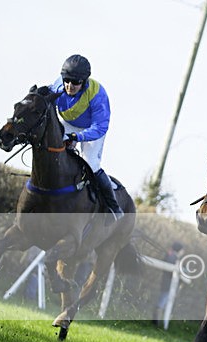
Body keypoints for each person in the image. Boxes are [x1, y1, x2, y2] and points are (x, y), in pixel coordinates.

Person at [51, 54, 122, 222]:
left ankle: (113, 207)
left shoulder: (98, 94)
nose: (69, 86)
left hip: (92, 129)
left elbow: (100, 127)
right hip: (67, 123)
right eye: (66, 80)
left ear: (84, 81)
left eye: (75, 83)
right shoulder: (58, 85)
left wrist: (76, 136)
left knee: (90, 162)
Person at [153, 242, 184, 326]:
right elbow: (171, 270)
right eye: (182, 250)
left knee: (163, 302)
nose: (183, 252)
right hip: (168, 284)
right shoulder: (172, 257)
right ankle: (156, 322)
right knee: (162, 302)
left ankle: (158, 322)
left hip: (167, 283)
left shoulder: (172, 256)